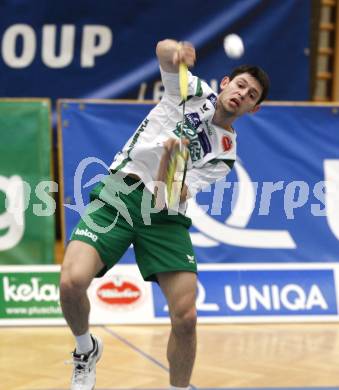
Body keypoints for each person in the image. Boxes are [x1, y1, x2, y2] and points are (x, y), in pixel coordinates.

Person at [59, 38, 270, 390]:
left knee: (186, 317)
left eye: (251, 96)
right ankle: (86, 349)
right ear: (225, 83)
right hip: (120, 195)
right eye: (241, 85)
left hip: (165, 215)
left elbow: (174, 195)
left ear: (254, 109)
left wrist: (169, 167)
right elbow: (160, 50)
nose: (242, 94)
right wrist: (177, 52)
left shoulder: (225, 153)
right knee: (71, 282)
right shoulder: (194, 90)